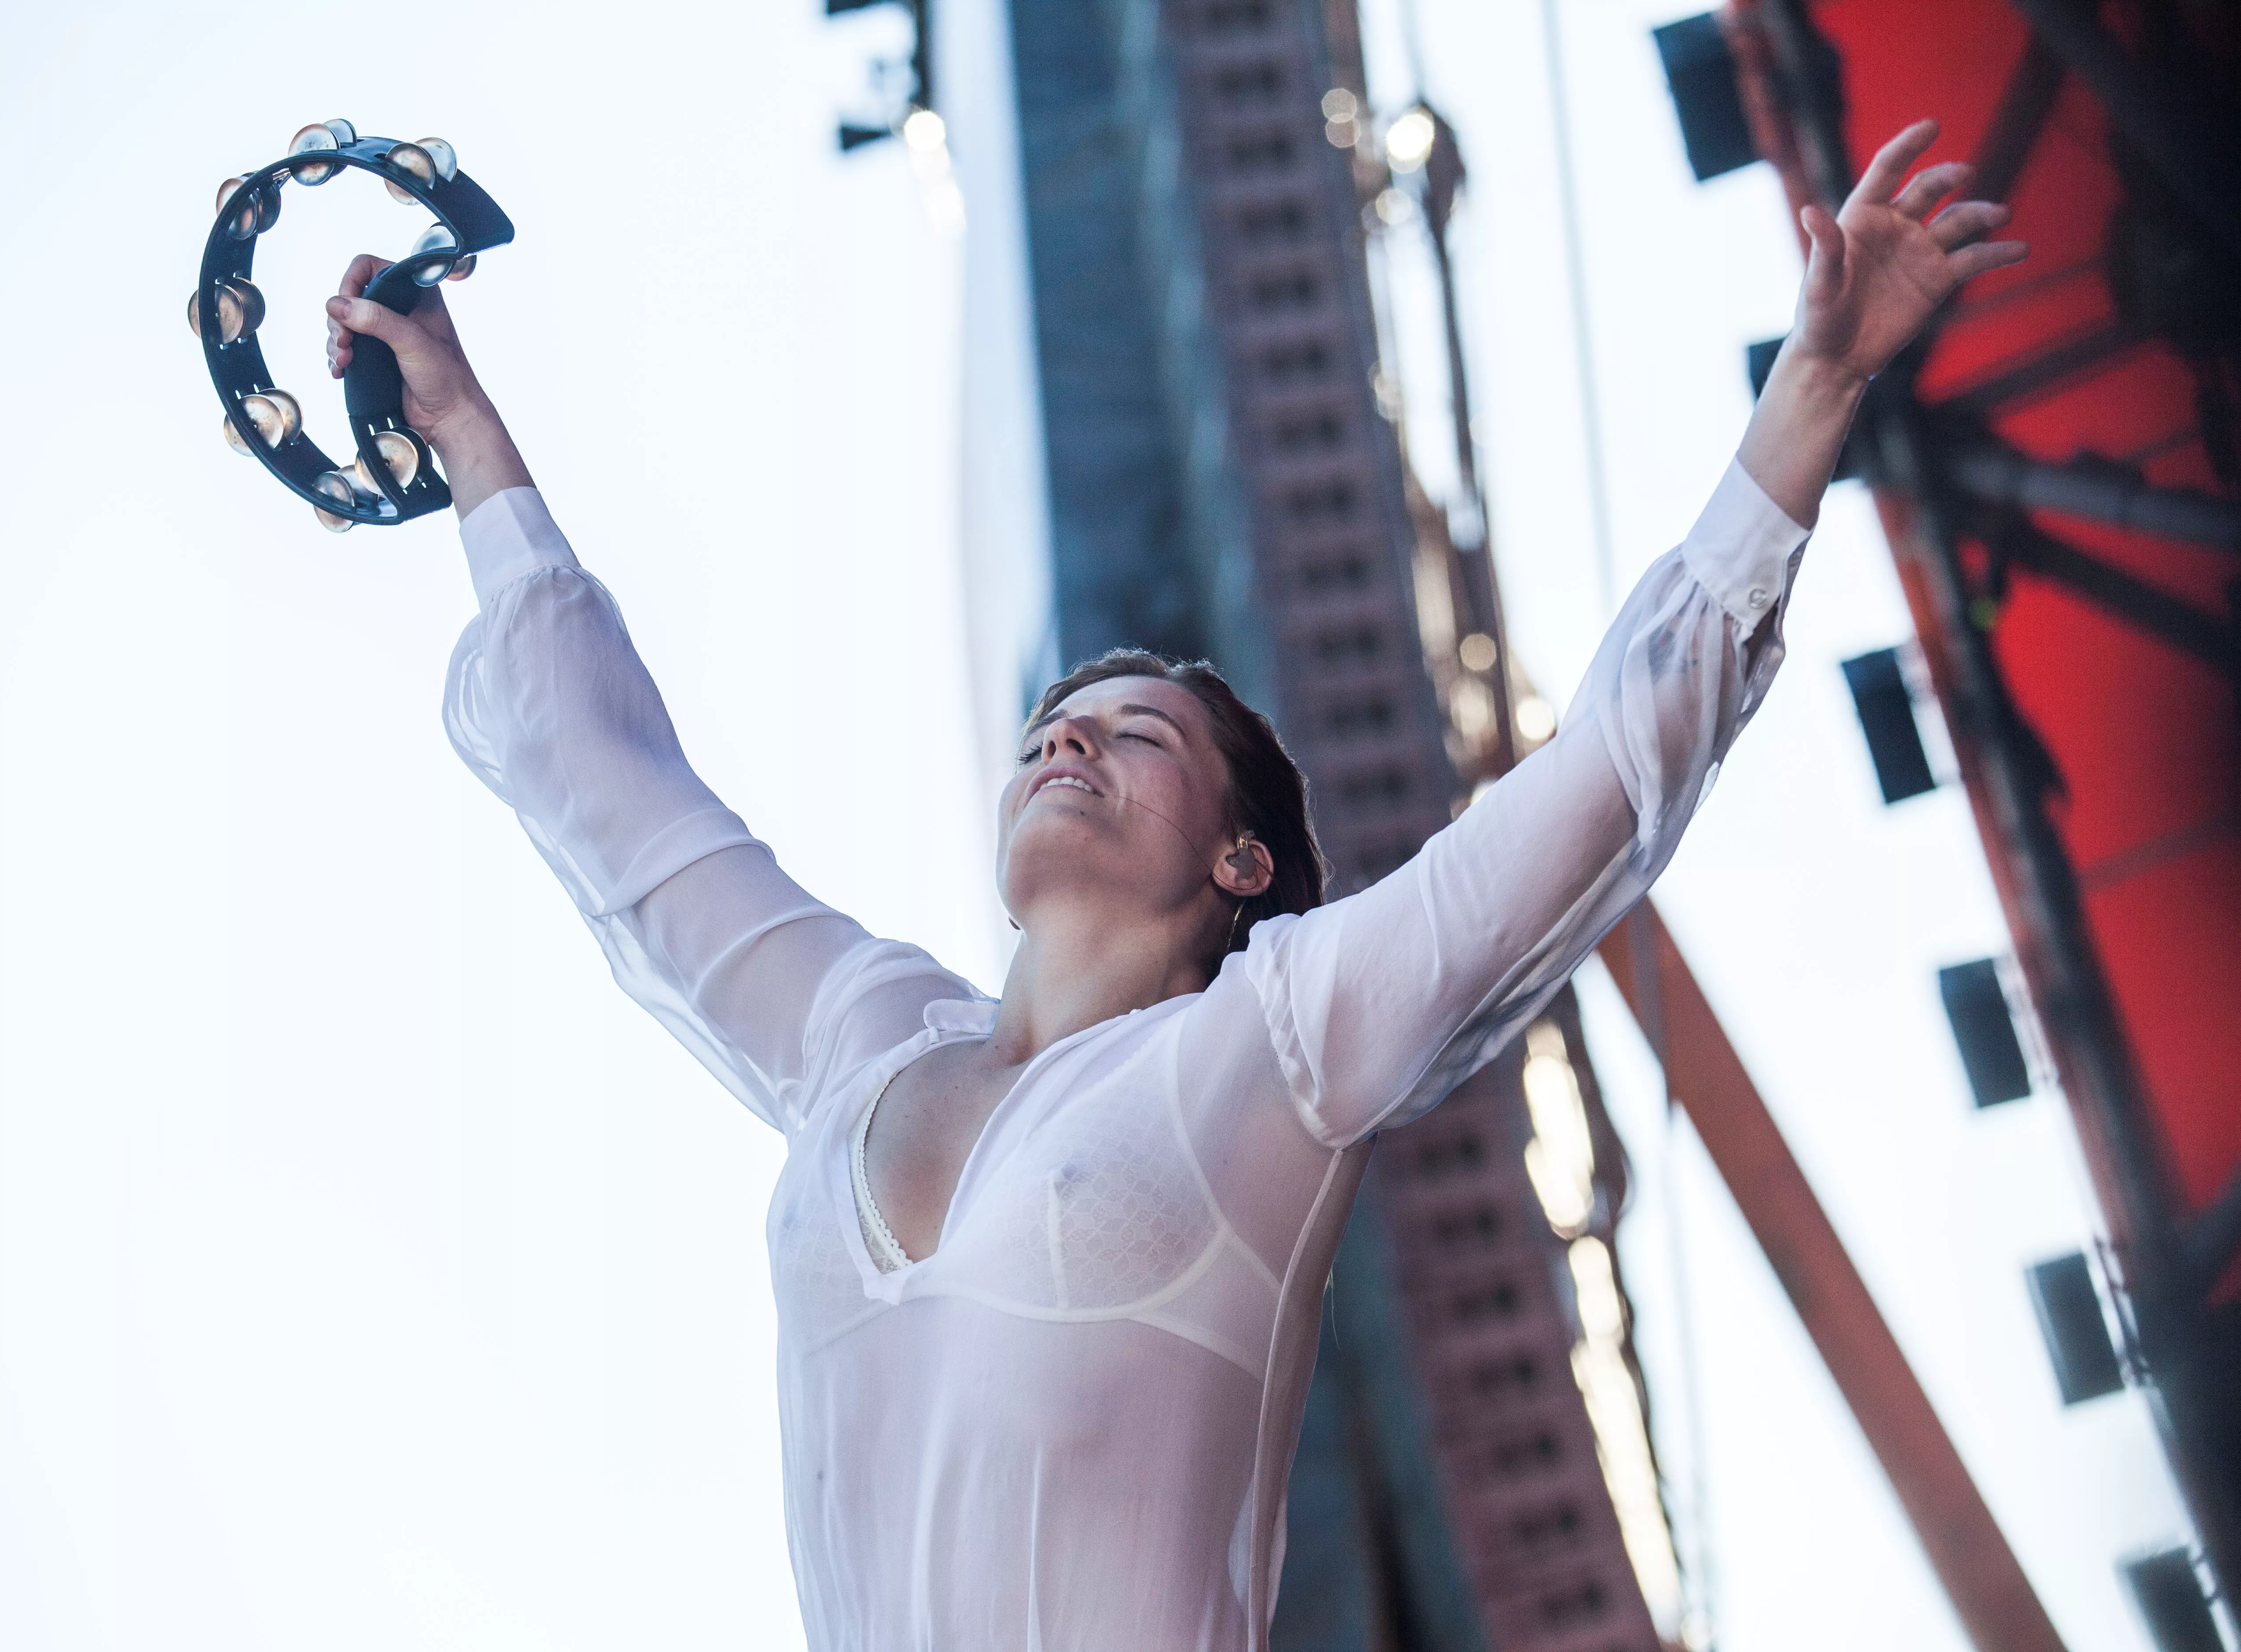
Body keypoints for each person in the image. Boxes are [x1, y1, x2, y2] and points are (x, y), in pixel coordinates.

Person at [320, 120, 2023, 1650]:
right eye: (1054, 726)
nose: (1066, 743)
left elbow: (1597, 793)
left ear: (1240, 862)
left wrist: (1812, 397)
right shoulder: (860, 1035)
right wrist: (468, 434)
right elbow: (622, 812)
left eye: (1132, 733)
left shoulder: (1271, 1044)